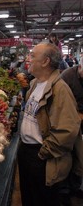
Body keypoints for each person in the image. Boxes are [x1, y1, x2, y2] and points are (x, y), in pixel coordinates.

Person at [18, 42, 82, 206]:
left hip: (41, 157)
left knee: (42, 199)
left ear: (45, 61)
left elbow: (68, 130)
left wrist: (43, 153)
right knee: (29, 197)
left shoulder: (60, 89)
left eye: (33, 56)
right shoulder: (35, 84)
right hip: (27, 152)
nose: (28, 59)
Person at [61, 56, 83, 199]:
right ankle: (64, 191)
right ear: (79, 67)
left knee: (80, 158)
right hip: (67, 122)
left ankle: (75, 187)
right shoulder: (67, 76)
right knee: (66, 156)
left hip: (81, 123)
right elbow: (58, 100)